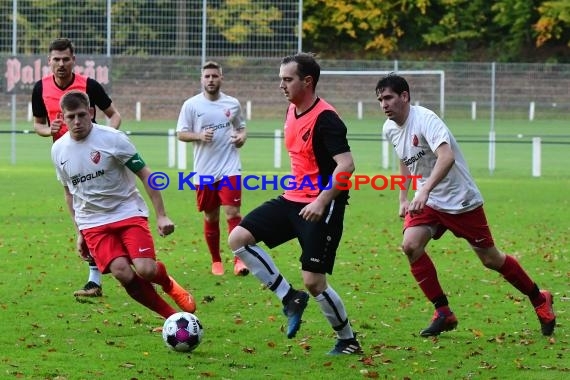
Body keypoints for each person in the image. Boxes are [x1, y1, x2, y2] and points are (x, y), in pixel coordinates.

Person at [375, 74, 556, 337]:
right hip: (430, 200)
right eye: (380, 99)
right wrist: (403, 196)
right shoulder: (389, 127)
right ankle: (443, 313)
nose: (384, 104)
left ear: (404, 96)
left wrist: (424, 189)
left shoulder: (426, 119)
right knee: (410, 246)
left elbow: (446, 157)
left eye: (388, 97)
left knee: (490, 259)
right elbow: (405, 159)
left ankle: (539, 298)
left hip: (461, 200)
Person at [228, 53, 362, 355]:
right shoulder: (292, 109)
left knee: (314, 281)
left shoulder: (326, 118)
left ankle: (348, 340)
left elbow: (347, 165)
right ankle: (290, 299)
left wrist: (322, 200)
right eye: (281, 79)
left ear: (307, 82)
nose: (281, 85)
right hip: (292, 198)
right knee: (238, 238)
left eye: (287, 79)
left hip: (322, 204)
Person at [51, 90, 195, 320]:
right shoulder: (58, 149)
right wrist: (79, 232)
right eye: (71, 117)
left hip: (127, 211)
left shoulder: (113, 138)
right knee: (122, 272)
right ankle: (173, 319)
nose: (76, 122)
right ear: (62, 117)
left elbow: (146, 174)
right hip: (92, 222)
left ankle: (168, 283)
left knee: (146, 270)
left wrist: (161, 215)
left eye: (81, 115)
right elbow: (69, 193)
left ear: (91, 112)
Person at [32, 37, 122, 297]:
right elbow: (38, 124)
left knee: (103, 209)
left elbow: (114, 115)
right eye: (56, 59)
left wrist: (104, 140)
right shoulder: (41, 88)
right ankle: (96, 276)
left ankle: (117, 261)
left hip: (97, 160)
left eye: (65, 59)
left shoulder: (89, 85)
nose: (61, 64)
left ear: (74, 60)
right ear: (49, 61)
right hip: (68, 163)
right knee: (82, 216)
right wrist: (48, 129)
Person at [176, 61, 249, 276]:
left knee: (232, 212)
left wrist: (240, 138)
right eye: (207, 76)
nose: (211, 80)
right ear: (201, 79)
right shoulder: (191, 105)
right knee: (211, 216)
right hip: (204, 171)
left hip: (230, 168)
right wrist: (199, 135)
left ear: (221, 78)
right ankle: (216, 260)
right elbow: (181, 133)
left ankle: (239, 260)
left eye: (214, 76)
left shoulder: (232, 104)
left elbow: (242, 128)